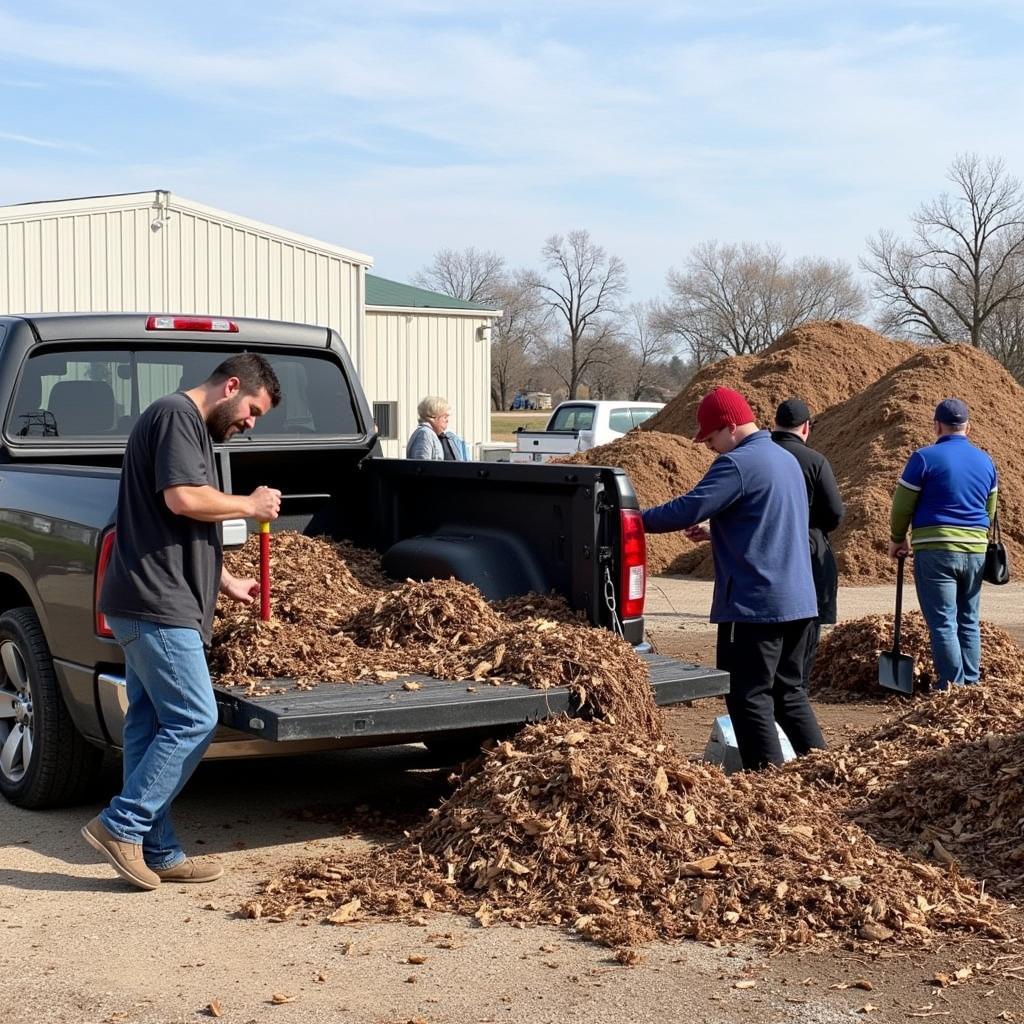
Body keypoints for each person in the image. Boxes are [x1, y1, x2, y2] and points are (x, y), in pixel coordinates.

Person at [81, 354, 283, 891]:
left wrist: (225, 582)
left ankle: (159, 849)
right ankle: (121, 824)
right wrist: (250, 504)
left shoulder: (186, 426)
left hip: (151, 599)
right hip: (156, 605)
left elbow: (170, 525)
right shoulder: (176, 416)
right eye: (253, 411)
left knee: (148, 726)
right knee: (195, 718)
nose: (250, 424)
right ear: (232, 386)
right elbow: (183, 499)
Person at [642, 386, 826, 771]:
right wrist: (719, 532)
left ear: (729, 426)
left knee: (748, 696)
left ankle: (769, 785)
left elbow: (688, 507)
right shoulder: (785, 458)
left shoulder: (738, 464)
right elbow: (772, 522)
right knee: (788, 694)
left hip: (755, 606)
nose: (709, 446)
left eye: (710, 437)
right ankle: (825, 773)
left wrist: (632, 519)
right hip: (801, 601)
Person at [889, 398, 998, 690]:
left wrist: (898, 538)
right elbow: (991, 510)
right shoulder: (987, 461)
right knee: (969, 618)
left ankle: (951, 687)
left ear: (937, 425)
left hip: (936, 551)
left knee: (943, 621)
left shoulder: (923, 458)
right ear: (968, 427)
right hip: (975, 551)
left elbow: (901, 506)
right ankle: (971, 686)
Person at [771, 398, 845, 690]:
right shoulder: (815, 461)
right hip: (808, 548)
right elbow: (835, 513)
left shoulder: (756, 455)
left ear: (774, 424)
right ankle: (794, 691)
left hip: (764, 550)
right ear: (805, 427)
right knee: (804, 633)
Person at [406, 396, 469, 460]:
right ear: (432, 417)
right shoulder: (425, 434)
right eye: (445, 417)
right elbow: (422, 466)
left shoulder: (430, 434)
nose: (447, 420)